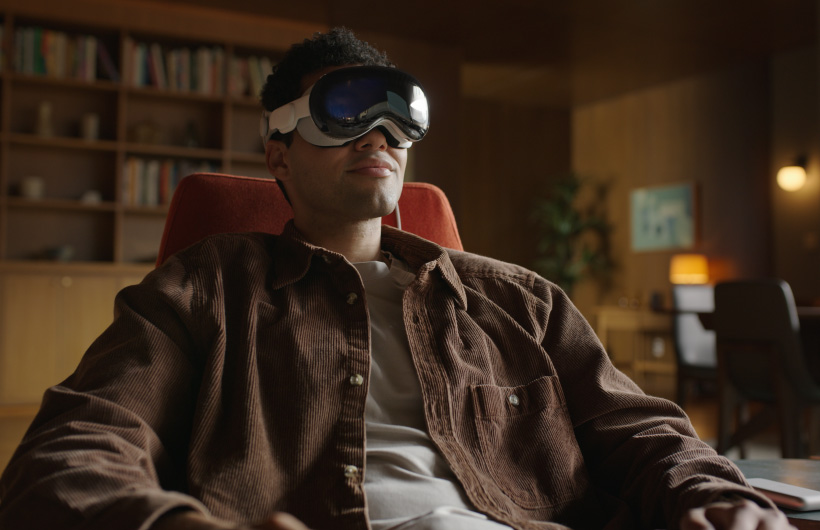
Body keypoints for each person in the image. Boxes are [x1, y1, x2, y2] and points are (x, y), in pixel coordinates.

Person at [0, 28, 795, 530]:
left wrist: (716, 497)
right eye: (347, 110)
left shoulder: (517, 300)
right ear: (280, 151)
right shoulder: (207, 288)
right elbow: (71, 449)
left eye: (397, 116)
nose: (379, 134)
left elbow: (645, 432)